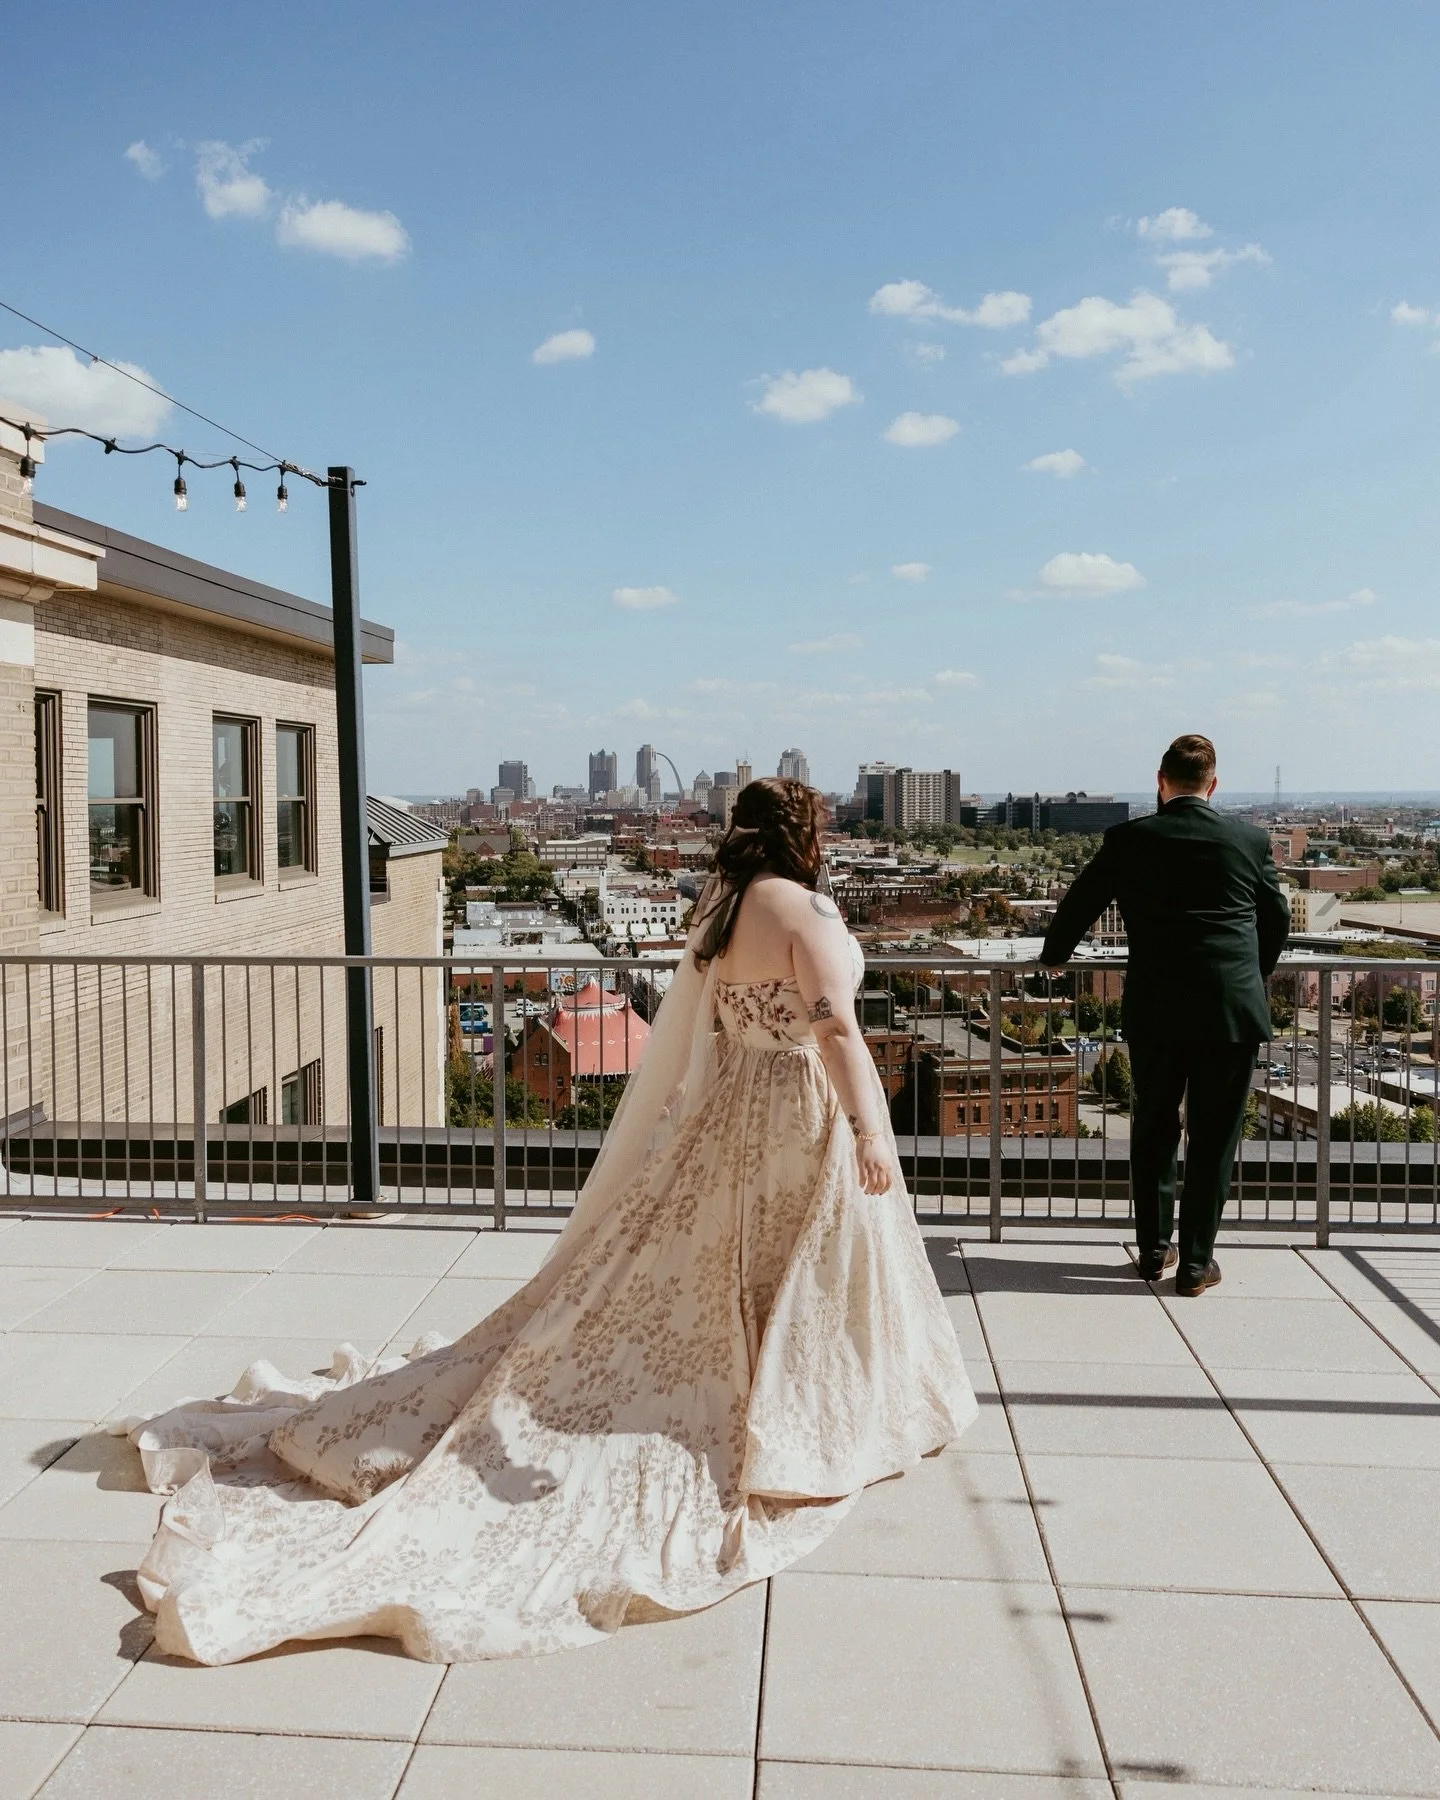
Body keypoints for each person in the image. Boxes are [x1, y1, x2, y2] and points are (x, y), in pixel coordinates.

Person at [121, 777, 975, 1665]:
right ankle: (787, 1406)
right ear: (806, 831)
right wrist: (873, 1132)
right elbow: (838, 1036)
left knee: (728, 1258)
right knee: (803, 1266)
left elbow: (712, 1037)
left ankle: (759, 1384)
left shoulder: (722, 916)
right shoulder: (806, 916)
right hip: (798, 1113)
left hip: (733, 1114)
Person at [1040, 735, 1289, 1297]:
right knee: (1213, 1136)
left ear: (1161, 780)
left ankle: (1153, 1251)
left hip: (1155, 1010)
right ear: (1213, 784)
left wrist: (1054, 957)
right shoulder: (1248, 840)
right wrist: (1253, 974)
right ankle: (1197, 1264)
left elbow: (1079, 905)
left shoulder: (1130, 838)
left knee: (1153, 1130)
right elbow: (1275, 919)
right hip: (1230, 1010)